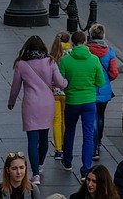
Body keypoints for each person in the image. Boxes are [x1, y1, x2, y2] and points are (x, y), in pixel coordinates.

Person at [8, 35, 67, 186]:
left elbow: (15, 87)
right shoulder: (50, 61)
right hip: (48, 103)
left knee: (32, 141)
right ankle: (40, 165)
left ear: (27, 47)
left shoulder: (21, 64)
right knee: (44, 137)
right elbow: (60, 83)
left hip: (31, 104)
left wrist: (11, 102)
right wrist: (67, 81)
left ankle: (35, 175)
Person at [58, 30, 105, 178]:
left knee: (70, 131)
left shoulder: (66, 60)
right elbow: (100, 82)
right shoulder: (94, 59)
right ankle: (85, 168)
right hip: (89, 101)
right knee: (88, 135)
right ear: (85, 42)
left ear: (72, 43)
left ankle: (68, 161)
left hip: (72, 101)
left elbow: (61, 82)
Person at [86, 24, 119, 163]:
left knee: (92, 118)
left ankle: (94, 148)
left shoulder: (87, 50)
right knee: (100, 116)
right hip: (104, 90)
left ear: (91, 35)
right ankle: (98, 142)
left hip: (89, 90)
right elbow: (114, 73)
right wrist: (106, 81)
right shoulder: (109, 52)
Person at [48, 32, 72, 162]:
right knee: (65, 120)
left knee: (56, 121)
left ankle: (58, 149)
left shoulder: (51, 55)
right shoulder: (72, 53)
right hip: (68, 92)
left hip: (54, 92)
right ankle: (64, 143)